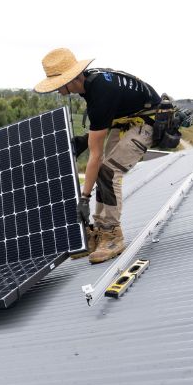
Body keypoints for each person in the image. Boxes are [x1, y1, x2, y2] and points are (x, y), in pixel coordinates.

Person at [35, 48, 162, 264]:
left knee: (109, 173)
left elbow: (96, 156)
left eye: (57, 85)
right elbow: (103, 125)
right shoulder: (91, 82)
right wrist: (84, 140)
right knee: (104, 173)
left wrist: (84, 198)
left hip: (147, 122)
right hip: (125, 119)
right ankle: (99, 231)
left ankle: (112, 234)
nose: (57, 91)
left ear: (72, 79)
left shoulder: (100, 92)